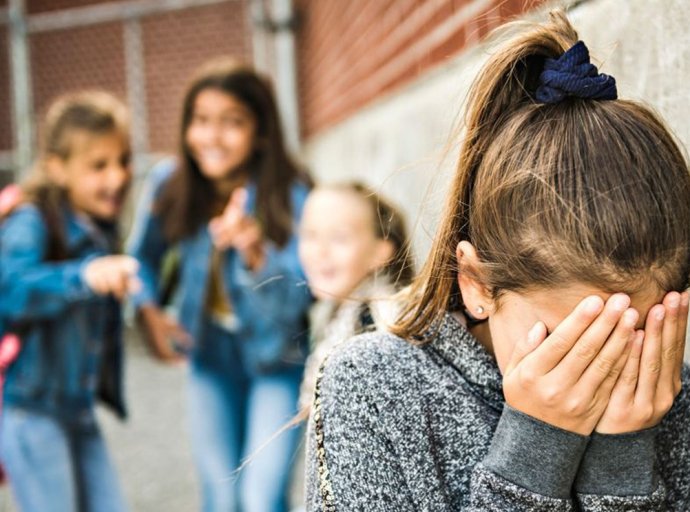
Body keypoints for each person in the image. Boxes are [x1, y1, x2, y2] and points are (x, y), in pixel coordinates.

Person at [305, 11, 690, 511]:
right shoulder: (374, 390)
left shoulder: (668, 397)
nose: (601, 371)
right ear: (477, 285)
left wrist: (624, 462)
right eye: (570, 342)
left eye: (632, 337)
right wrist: (535, 451)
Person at [128, 58, 312, 512]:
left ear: (261, 133)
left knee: (260, 499)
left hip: (277, 360)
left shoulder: (291, 193)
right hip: (209, 359)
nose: (211, 137)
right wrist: (148, 312)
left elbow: (302, 298)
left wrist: (255, 252)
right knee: (220, 498)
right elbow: (140, 262)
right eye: (201, 121)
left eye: (232, 123)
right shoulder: (169, 184)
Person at [0, 91, 137, 511]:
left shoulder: (98, 226)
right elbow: (10, 289)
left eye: (123, 160)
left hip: (77, 410)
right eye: (98, 165)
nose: (116, 177)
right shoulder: (31, 220)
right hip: (31, 411)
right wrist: (83, 276)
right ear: (58, 168)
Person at [297, 182, 413, 413]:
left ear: (380, 253)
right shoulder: (338, 313)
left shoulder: (379, 323)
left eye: (339, 238)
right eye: (310, 235)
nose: (320, 251)